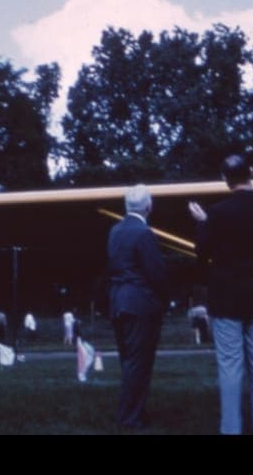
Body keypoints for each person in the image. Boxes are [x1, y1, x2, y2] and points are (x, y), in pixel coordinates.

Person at [189, 154, 253, 435]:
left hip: (226, 297)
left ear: (225, 180)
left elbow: (202, 252)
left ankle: (231, 428)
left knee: (230, 366)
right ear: (251, 173)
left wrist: (204, 223)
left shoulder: (217, 214)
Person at [107, 184, 168, 430]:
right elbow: (157, 272)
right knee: (138, 362)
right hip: (140, 304)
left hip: (118, 301)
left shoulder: (115, 231)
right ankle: (129, 417)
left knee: (129, 360)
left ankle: (136, 412)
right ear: (148, 206)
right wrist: (165, 298)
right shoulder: (144, 233)